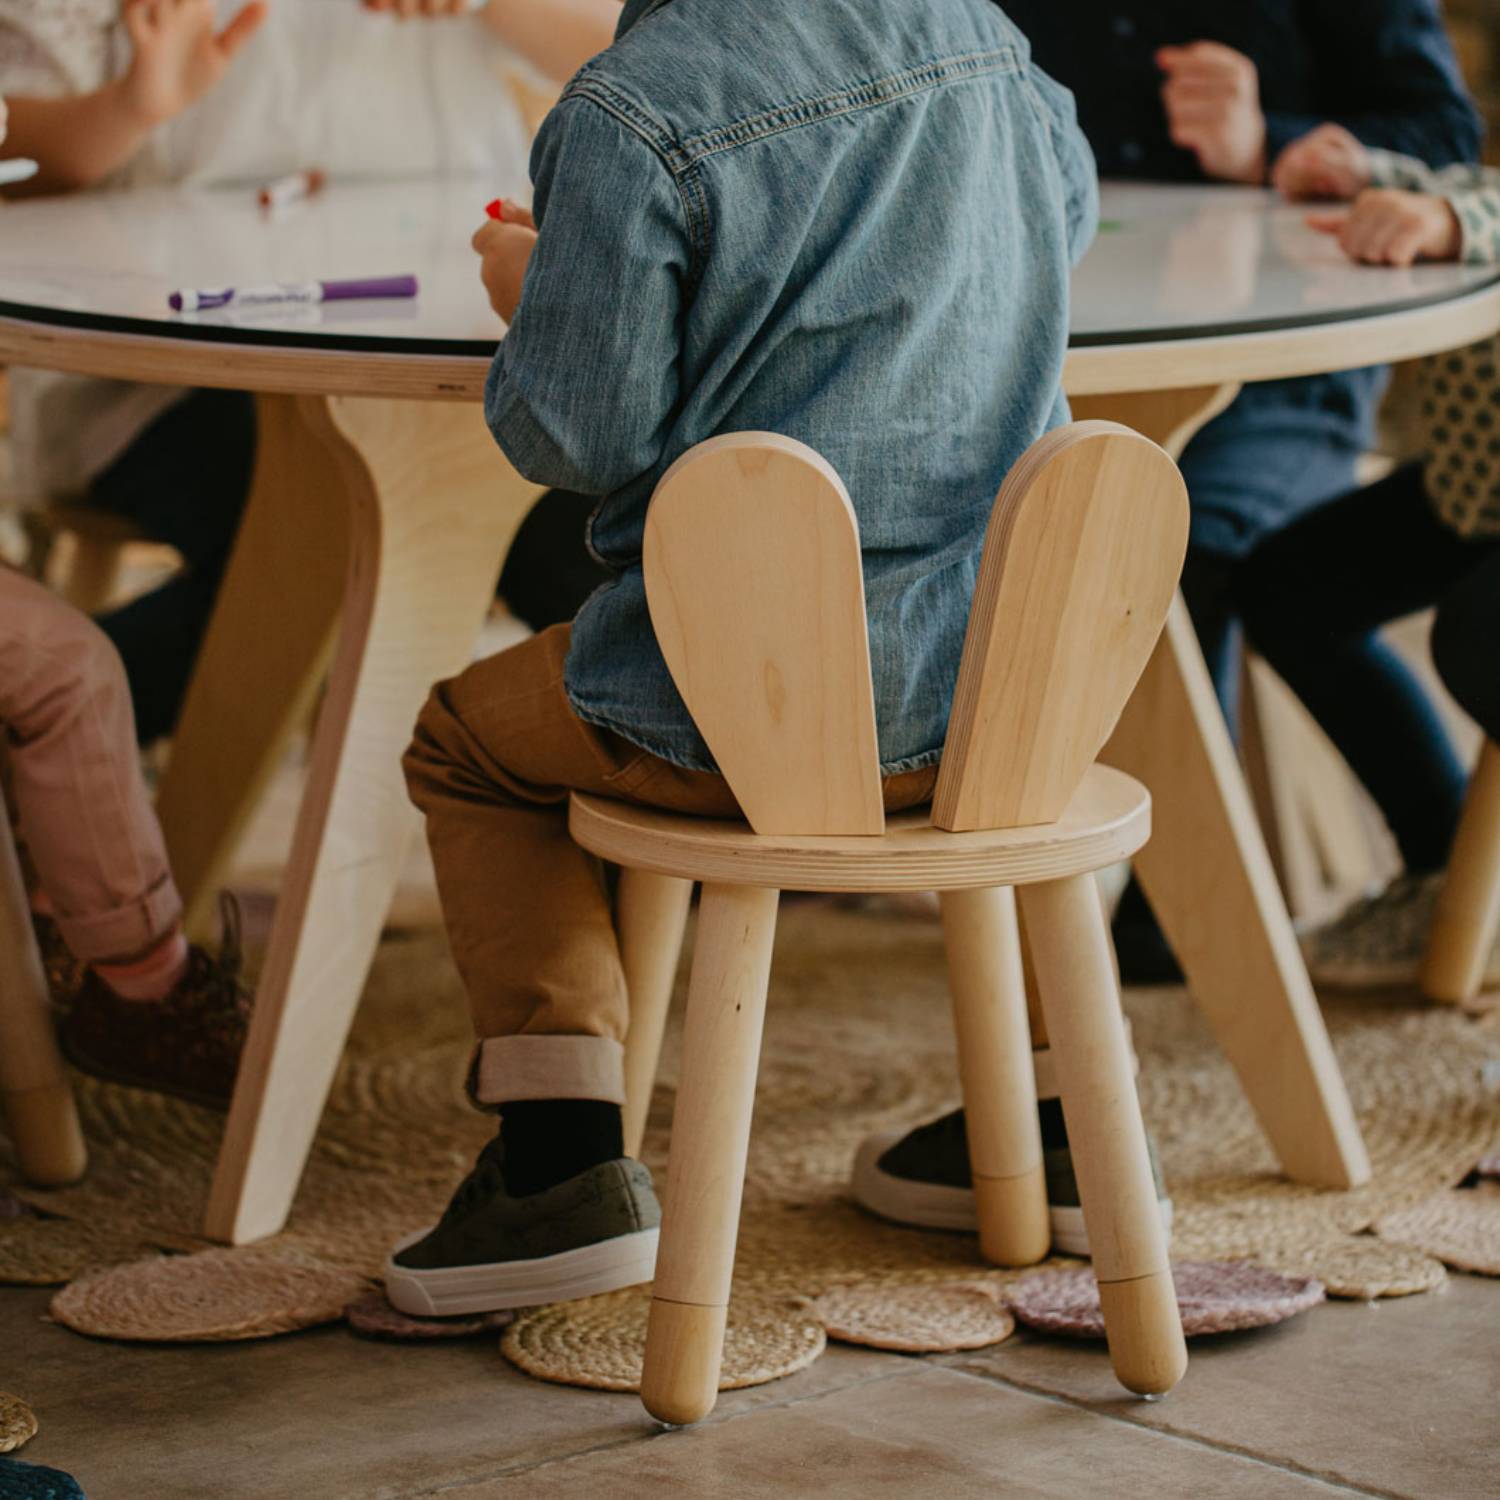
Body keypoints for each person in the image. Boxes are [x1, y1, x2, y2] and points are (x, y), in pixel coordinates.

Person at [381, 0, 1098, 1316]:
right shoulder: (981, 33)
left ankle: (559, 1168)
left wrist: (536, 294)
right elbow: (1068, 214)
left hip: (736, 715)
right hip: (1000, 693)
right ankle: (1056, 1134)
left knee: (466, 748)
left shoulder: (630, 108)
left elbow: (576, 437)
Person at [990, 1, 1482, 983]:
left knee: (1176, 545)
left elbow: (1447, 141)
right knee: (999, 526)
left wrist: (1273, 147)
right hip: (1039, 346)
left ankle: (1176, 922)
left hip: (1282, 367)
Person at [0, 0, 617, 743]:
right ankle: (40, 722)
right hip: (169, 379)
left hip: (463, 375)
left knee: (594, 549)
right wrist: (131, 107)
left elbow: (644, 58)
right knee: (330, 558)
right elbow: (16, 157)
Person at [1234, 125, 1500, 989]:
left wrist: (1456, 222)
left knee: (1480, 639)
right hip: (1475, 484)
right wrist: (1372, 178)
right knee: (1289, 588)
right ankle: (1440, 865)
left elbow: (1470, 207)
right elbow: (1467, 185)